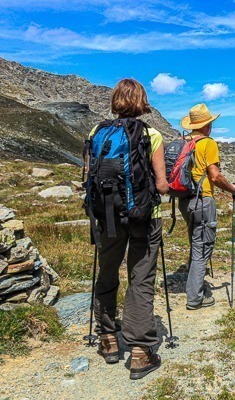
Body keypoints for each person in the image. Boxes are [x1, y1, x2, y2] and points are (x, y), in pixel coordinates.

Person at [88, 79, 168, 380]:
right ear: (142, 102)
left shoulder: (97, 133)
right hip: (143, 218)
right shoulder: (151, 134)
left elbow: (90, 176)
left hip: (106, 218)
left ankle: (108, 339)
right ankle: (140, 351)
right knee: (141, 278)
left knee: (107, 272)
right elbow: (161, 184)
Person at [178, 103, 235, 310]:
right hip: (203, 200)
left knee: (196, 243)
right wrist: (232, 189)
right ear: (207, 125)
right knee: (202, 249)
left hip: (185, 200)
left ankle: (196, 286)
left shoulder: (184, 143)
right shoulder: (208, 143)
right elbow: (215, 176)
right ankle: (195, 298)